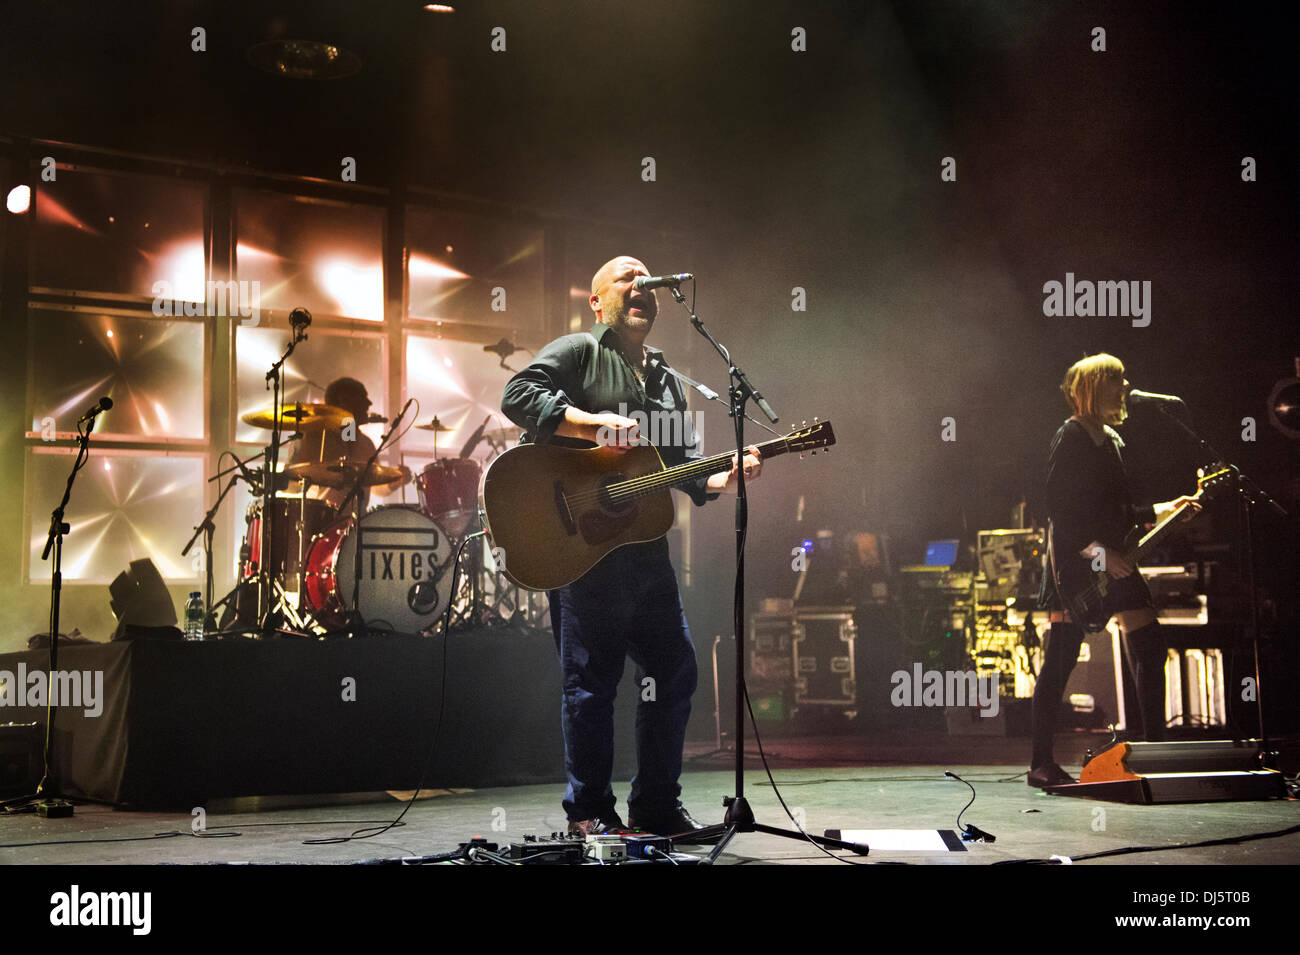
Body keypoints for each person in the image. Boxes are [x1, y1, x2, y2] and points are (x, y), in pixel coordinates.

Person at [500, 255, 761, 838]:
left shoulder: (669, 382)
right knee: (591, 685)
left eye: (647, 280)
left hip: (645, 554)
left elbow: (686, 472)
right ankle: (589, 813)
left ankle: (657, 807)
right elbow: (518, 395)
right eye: (625, 277)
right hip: (582, 550)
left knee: (674, 671)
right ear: (598, 302)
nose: (640, 284)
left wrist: (727, 476)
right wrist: (591, 425)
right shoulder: (578, 353)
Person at [1029, 354, 1198, 788]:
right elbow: (1061, 511)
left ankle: (1151, 748)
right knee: (1060, 662)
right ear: (1097, 387)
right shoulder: (1070, 437)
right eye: (1118, 381)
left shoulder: (1113, 442)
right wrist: (1101, 553)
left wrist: (1167, 508)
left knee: (1150, 645)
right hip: (1076, 563)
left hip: (1113, 559)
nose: (1126, 388)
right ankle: (1040, 763)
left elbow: (1120, 512)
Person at [288, 377, 410, 515]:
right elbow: (290, 484)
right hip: (321, 525)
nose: (369, 403)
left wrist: (395, 482)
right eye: (362, 398)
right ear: (344, 401)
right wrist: (298, 481)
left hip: (358, 526)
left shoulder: (366, 443)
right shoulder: (311, 437)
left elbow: (376, 487)